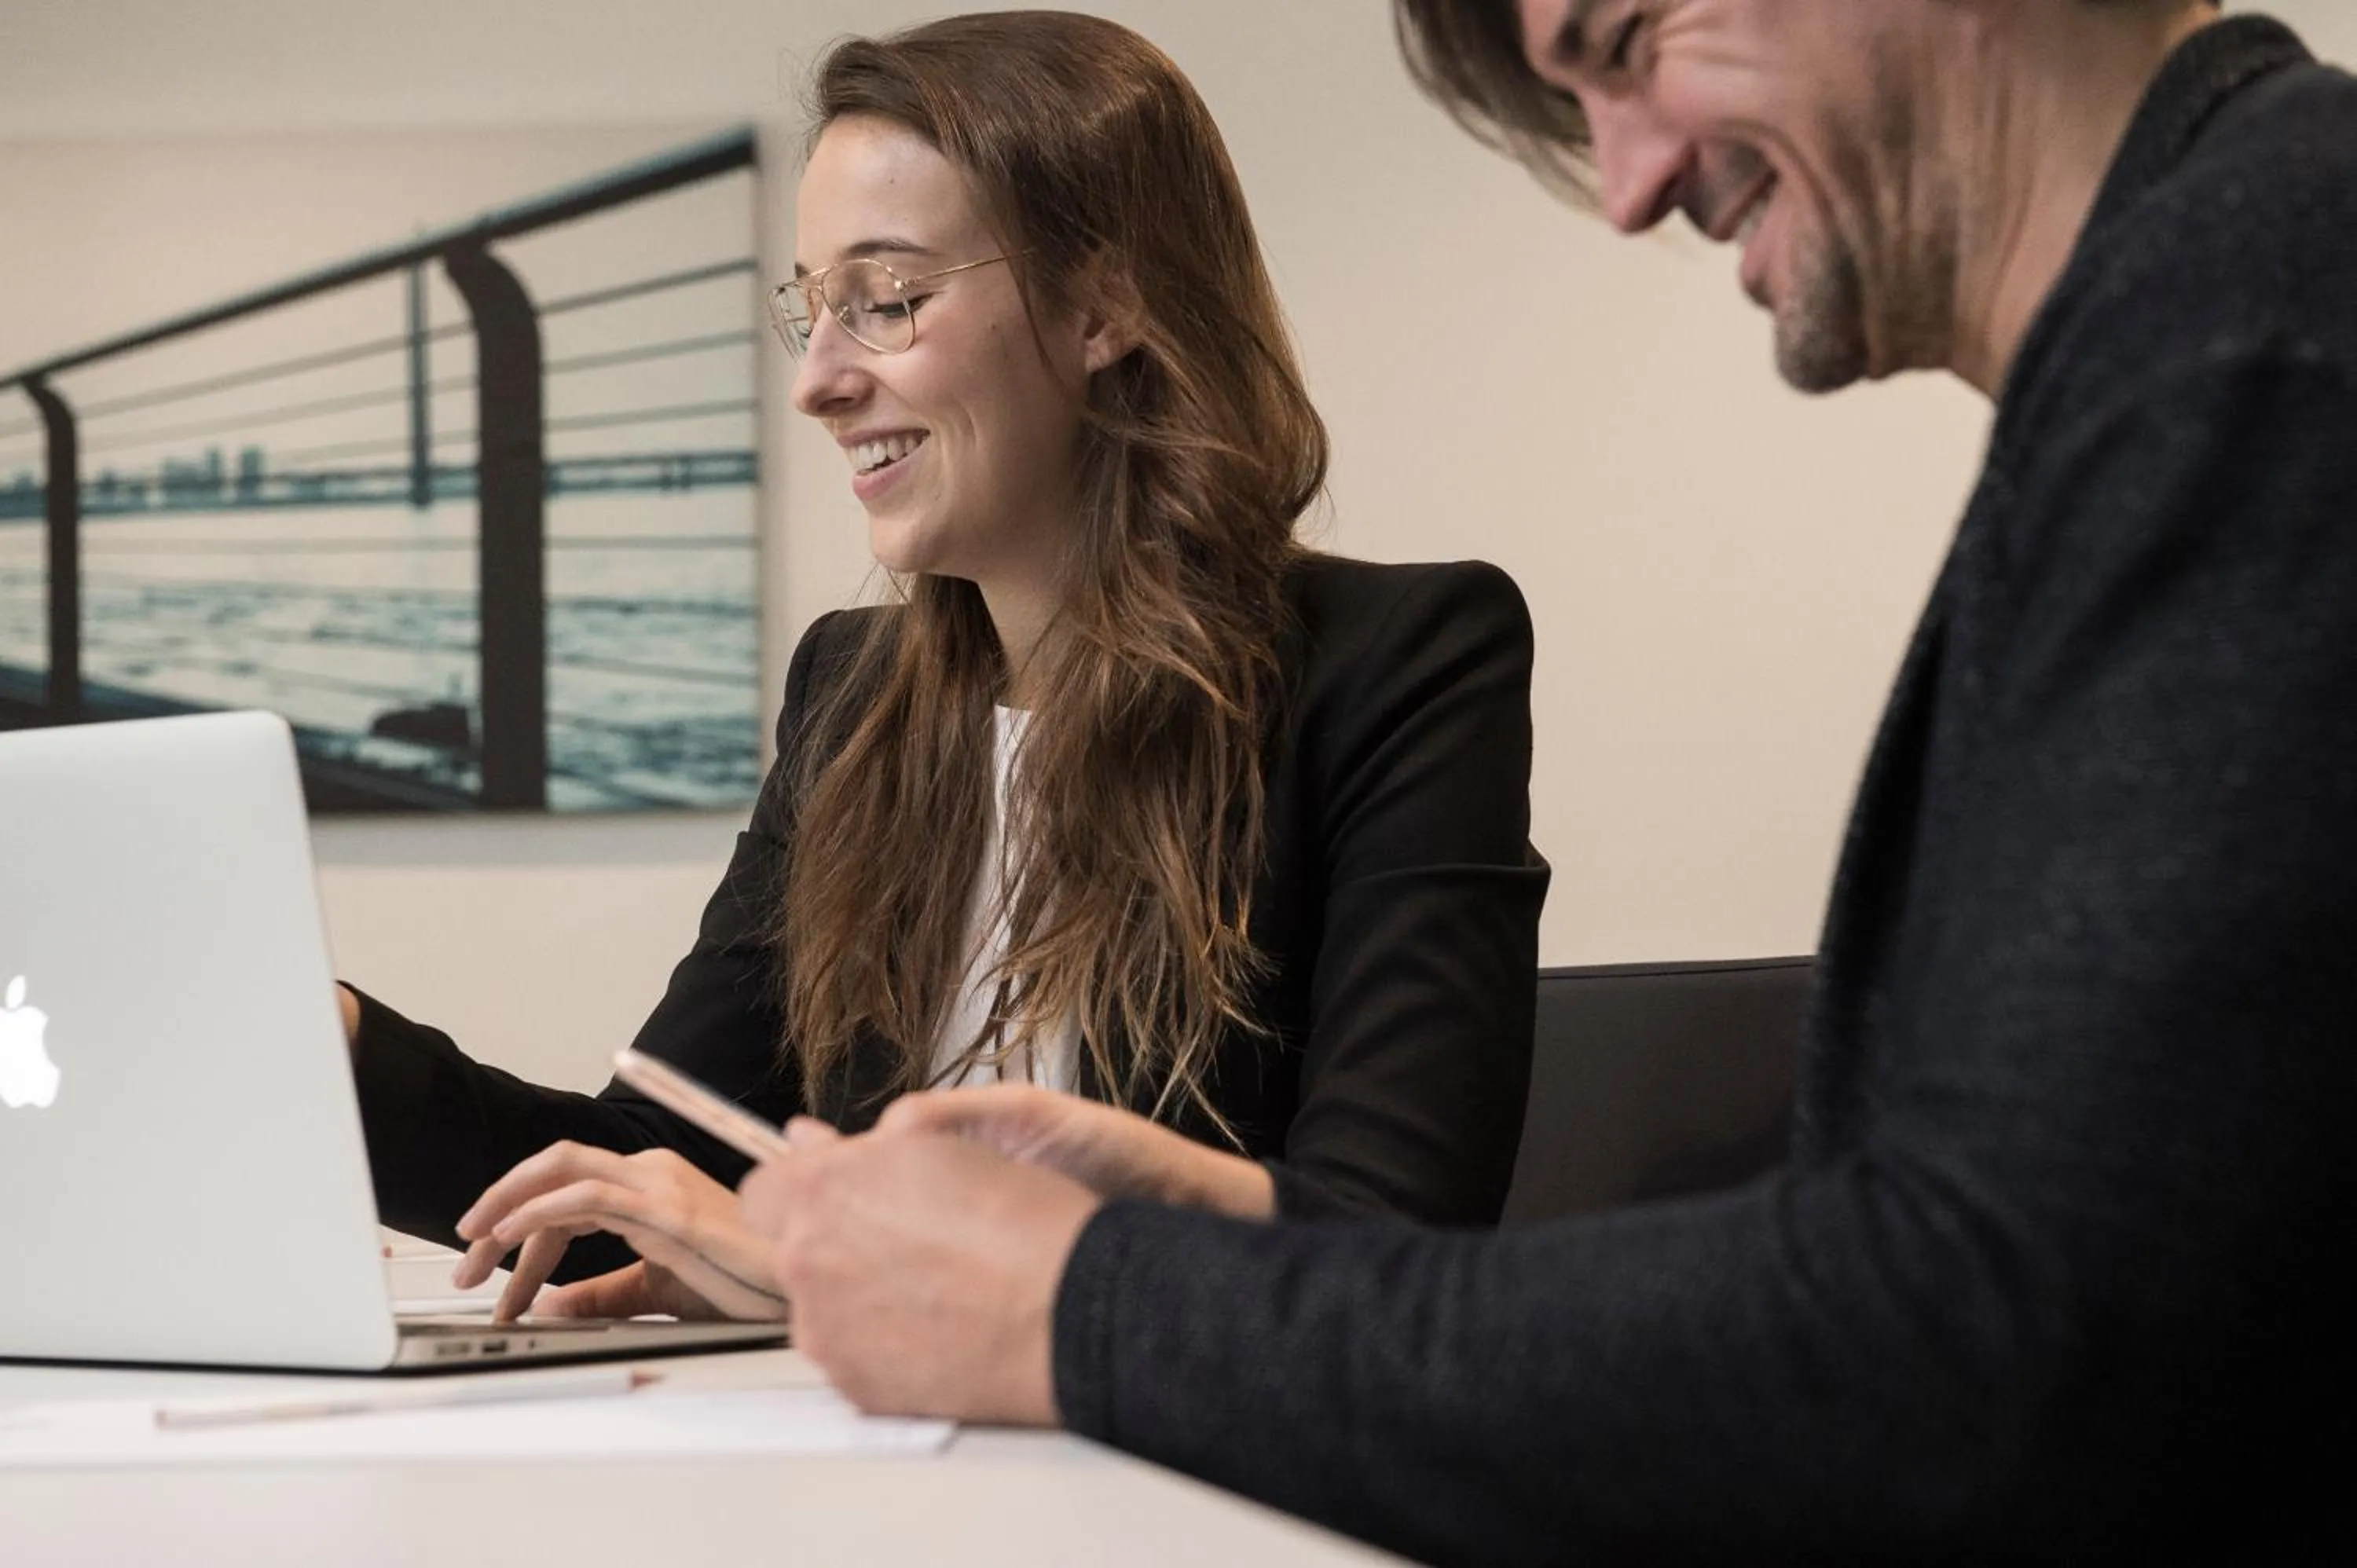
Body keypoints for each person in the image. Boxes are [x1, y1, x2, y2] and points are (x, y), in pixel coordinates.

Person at [738, 2, 2357, 1561]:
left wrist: (1084, 1300)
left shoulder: (2255, 317)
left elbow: (1981, 1343)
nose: (1634, 180)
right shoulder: (2213, 304)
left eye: (1632, 39)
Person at [343, 11, 1546, 1324]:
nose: (817, 382)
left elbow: (1387, 1241)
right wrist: (332, 1050)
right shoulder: (851, 693)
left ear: (1107, 303)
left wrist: (819, 1259)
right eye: (813, 307)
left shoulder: (1403, 663)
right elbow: (657, 1183)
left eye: (889, 301)